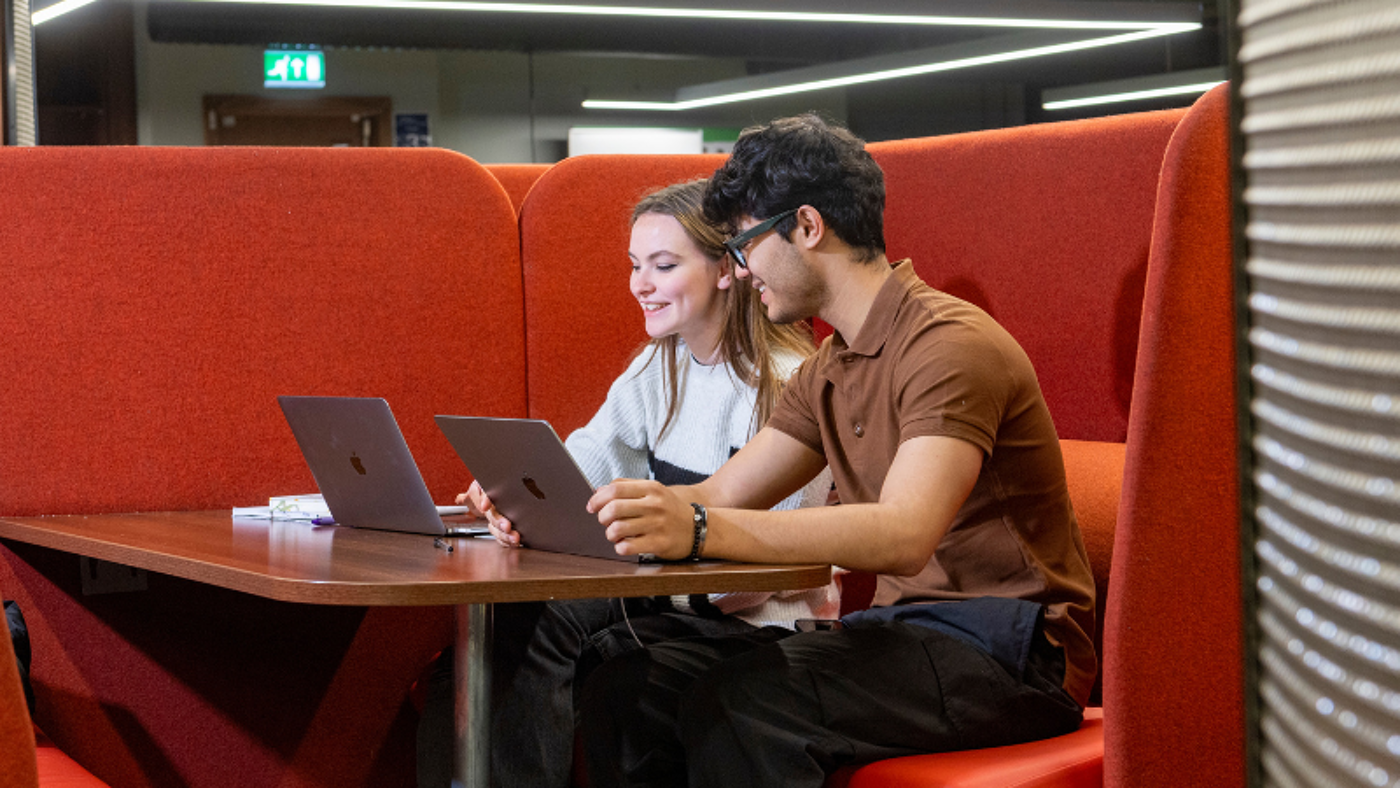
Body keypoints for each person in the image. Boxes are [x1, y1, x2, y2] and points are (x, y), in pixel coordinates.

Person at [576, 114, 1097, 788]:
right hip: (905, 631)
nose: (741, 270)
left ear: (807, 228)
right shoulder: (833, 365)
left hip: (1011, 651)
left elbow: (904, 533)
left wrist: (698, 528)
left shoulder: (949, 345)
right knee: (632, 680)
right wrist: (596, 514)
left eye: (744, 244)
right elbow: (723, 492)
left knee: (744, 704)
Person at [416, 179, 836, 788]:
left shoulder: (787, 383)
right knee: (480, 650)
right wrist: (517, 498)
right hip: (662, 592)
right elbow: (582, 465)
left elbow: (749, 578)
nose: (640, 283)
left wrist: (628, 544)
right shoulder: (657, 364)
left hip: (747, 618)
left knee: (570, 644)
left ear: (726, 268)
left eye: (663, 266)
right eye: (635, 266)